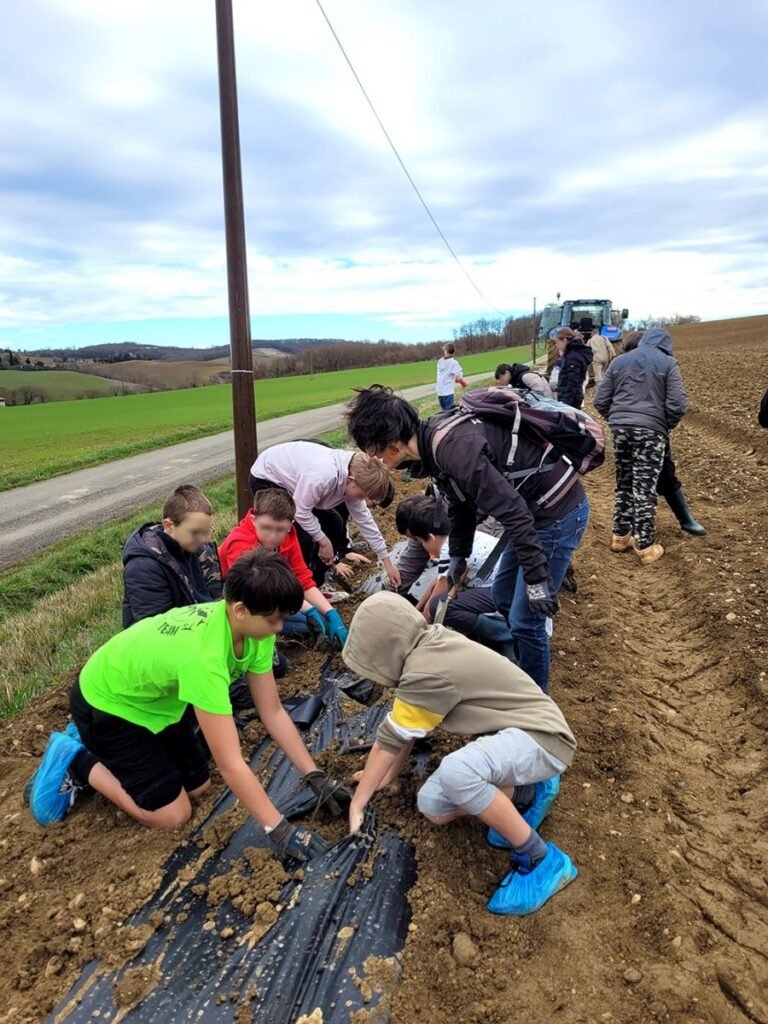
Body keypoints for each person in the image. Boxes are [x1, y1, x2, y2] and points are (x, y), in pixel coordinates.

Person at [26, 550, 351, 863]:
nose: (280, 628)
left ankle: (114, 753)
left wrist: (314, 775)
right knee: (173, 814)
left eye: (283, 618)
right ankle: (78, 759)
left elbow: (273, 712)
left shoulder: (256, 631)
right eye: (274, 620)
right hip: (109, 704)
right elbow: (231, 763)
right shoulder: (204, 658)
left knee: (199, 787)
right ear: (240, 610)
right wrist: (279, 829)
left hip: (158, 700)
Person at [343, 593, 578, 916]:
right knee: (434, 806)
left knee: (458, 771)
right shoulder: (427, 647)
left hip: (542, 738)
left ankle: (541, 859)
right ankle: (527, 793)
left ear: (384, 649)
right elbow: (404, 733)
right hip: (515, 740)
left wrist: (359, 801)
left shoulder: (426, 670)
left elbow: (388, 742)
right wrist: (384, 779)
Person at [345, 385, 590, 693]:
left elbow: (514, 514)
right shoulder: (433, 447)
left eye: (374, 451)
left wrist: (537, 581)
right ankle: (521, 661)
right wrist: (457, 560)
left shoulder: (453, 448)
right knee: (502, 597)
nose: (376, 459)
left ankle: (534, 703)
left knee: (527, 618)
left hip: (557, 513)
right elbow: (461, 510)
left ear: (391, 444)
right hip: (533, 514)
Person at [594, 328, 688, 564]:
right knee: (644, 486)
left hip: (620, 430)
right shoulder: (668, 363)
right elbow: (677, 404)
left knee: (624, 481)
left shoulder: (620, 361)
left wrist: (617, 420)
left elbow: (599, 400)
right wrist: (662, 425)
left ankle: (620, 535)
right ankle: (645, 545)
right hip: (651, 431)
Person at [249, 442, 400, 589]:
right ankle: (294, 589)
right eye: (361, 495)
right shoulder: (322, 476)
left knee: (334, 523)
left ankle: (316, 583)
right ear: (351, 481)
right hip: (269, 477)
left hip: (301, 483)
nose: (361, 500)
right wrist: (322, 540)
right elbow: (301, 512)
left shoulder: (354, 476)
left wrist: (387, 562)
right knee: (302, 537)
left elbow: (365, 521)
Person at [219, 488, 349, 647]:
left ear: (290, 525)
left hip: (270, 593)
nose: (273, 536)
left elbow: (302, 579)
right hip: (239, 597)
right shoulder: (241, 543)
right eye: (266, 528)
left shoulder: (289, 537)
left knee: (319, 621)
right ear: (253, 520)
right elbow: (256, 588)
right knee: (301, 624)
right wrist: (308, 610)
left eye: (280, 529)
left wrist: (331, 614)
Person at [620, 331, 704, 537]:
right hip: (638, 428)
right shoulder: (626, 367)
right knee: (637, 480)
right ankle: (640, 534)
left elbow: (676, 403)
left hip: (646, 429)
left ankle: (684, 519)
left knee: (659, 474)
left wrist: (660, 425)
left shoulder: (657, 366)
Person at [122, 485, 222, 629]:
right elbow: (156, 630)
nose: (202, 539)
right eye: (195, 532)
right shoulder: (143, 567)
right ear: (168, 525)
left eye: (206, 531)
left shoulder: (198, 550)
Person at [553, 328, 592, 409]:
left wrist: (566, 404)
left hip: (570, 401)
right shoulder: (570, 354)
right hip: (569, 398)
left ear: (564, 340)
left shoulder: (573, 357)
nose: (556, 345)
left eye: (557, 342)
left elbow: (573, 382)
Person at [435, 343, 467, 411]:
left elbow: (444, 374)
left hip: (440, 392)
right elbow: (459, 377)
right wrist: (460, 381)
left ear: (446, 351)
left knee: (444, 413)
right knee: (449, 414)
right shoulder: (453, 363)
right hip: (448, 392)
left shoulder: (440, 361)